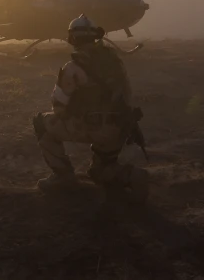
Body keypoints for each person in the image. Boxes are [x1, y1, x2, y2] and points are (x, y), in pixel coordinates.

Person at [32, 14, 149, 202]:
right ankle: (130, 175)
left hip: (93, 127)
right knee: (99, 173)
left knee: (41, 122)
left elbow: (59, 106)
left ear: (72, 39)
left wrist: (76, 115)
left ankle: (63, 177)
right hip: (119, 128)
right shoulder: (114, 62)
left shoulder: (73, 67)